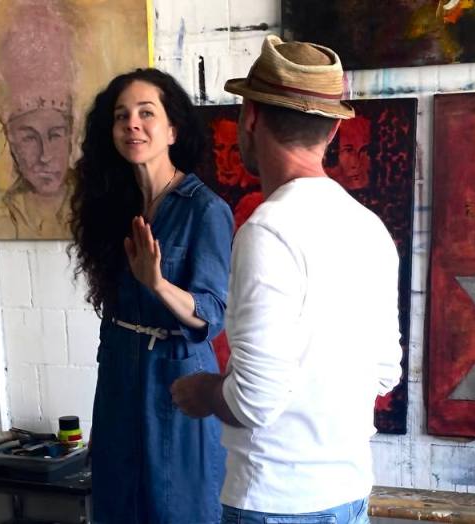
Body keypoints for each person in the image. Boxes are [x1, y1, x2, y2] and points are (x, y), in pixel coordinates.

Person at [171, 35, 402, 523]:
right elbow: (385, 371)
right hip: (349, 497)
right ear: (333, 131)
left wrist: (206, 392)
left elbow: (253, 401)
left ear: (250, 116)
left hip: (275, 501)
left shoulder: (267, 231)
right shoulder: (370, 227)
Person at [68, 68, 233, 523]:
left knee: (179, 507)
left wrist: (158, 284)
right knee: (117, 504)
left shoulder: (205, 210)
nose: (132, 125)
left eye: (146, 113)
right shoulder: (112, 207)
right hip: (119, 373)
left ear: (172, 130)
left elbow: (212, 315)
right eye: (121, 116)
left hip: (178, 379)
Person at [0, 0, 75, 239]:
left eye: (55, 135)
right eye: (29, 138)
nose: (44, 155)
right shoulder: (2, 216)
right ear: (11, 140)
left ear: (70, 135)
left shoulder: (94, 203)